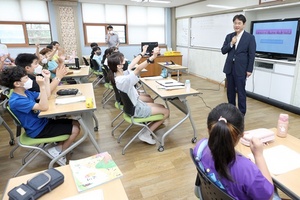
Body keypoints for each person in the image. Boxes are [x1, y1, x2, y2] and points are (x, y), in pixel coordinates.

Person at [193, 103, 281, 200]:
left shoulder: (200, 147)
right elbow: (268, 197)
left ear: (209, 130)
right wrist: (258, 155)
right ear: (241, 135)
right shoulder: (247, 170)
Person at [0, 66, 80, 164]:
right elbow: (43, 107)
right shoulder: (17, 100)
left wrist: (46, 79)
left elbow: (46, 95)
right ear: (17, 83)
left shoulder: (25, 92)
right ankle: (60, 154)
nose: (29, 79)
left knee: (75, 122)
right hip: (37, 130)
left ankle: (57, 148)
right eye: (25, 78)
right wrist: (41, 86)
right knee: (75, 129)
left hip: (42, 122)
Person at [107, 47, 169, 144]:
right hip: (137, 109)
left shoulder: (120, 74)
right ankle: (146, 134)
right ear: (118, 66)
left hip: (137, 104)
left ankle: (150, 127)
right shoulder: (123, 80)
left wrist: (143, 52)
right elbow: (138, 68)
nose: (126, 62)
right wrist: (153, 57)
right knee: (166, 112)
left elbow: (133, 63)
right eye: (123, 61)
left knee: (161, 106)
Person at [221, 14, 256, 115]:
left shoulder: (250, 38)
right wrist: (231, 43)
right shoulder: (229, 36)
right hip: (229, 69)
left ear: (244, 24)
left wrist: (249, 69)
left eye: (239, 23)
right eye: (235, 23)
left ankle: (241, 114)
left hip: (241, 69)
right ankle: (232, 112)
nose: (237, 25)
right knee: (230, 92)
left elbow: (251, 55)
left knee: (241, 92)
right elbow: (223, 51)